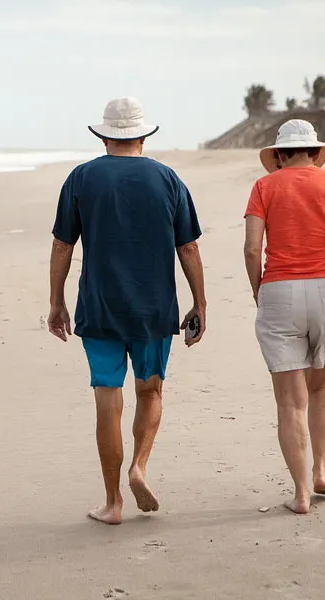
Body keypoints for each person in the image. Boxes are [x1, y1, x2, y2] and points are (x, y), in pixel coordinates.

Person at [48, 97, 206, 525]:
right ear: (144, 135)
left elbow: (64, 244)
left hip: (99, 306)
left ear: (103, 136)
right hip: (154, 308)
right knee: (150, 391)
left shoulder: (81, 178)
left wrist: (56, 300)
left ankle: (113, 502)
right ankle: (139, 466)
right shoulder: (168, 179)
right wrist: (200, 302)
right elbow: (187, 246)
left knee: (107, 396)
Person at [243, 119, 325, 514]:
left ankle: (299, 494)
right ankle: (321, 471)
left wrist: (259, 290)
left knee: (289, 402)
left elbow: (251, 249)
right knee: (323, 387)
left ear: (278, 155)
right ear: (315, 152)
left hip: (280, 290)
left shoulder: (264, 187)